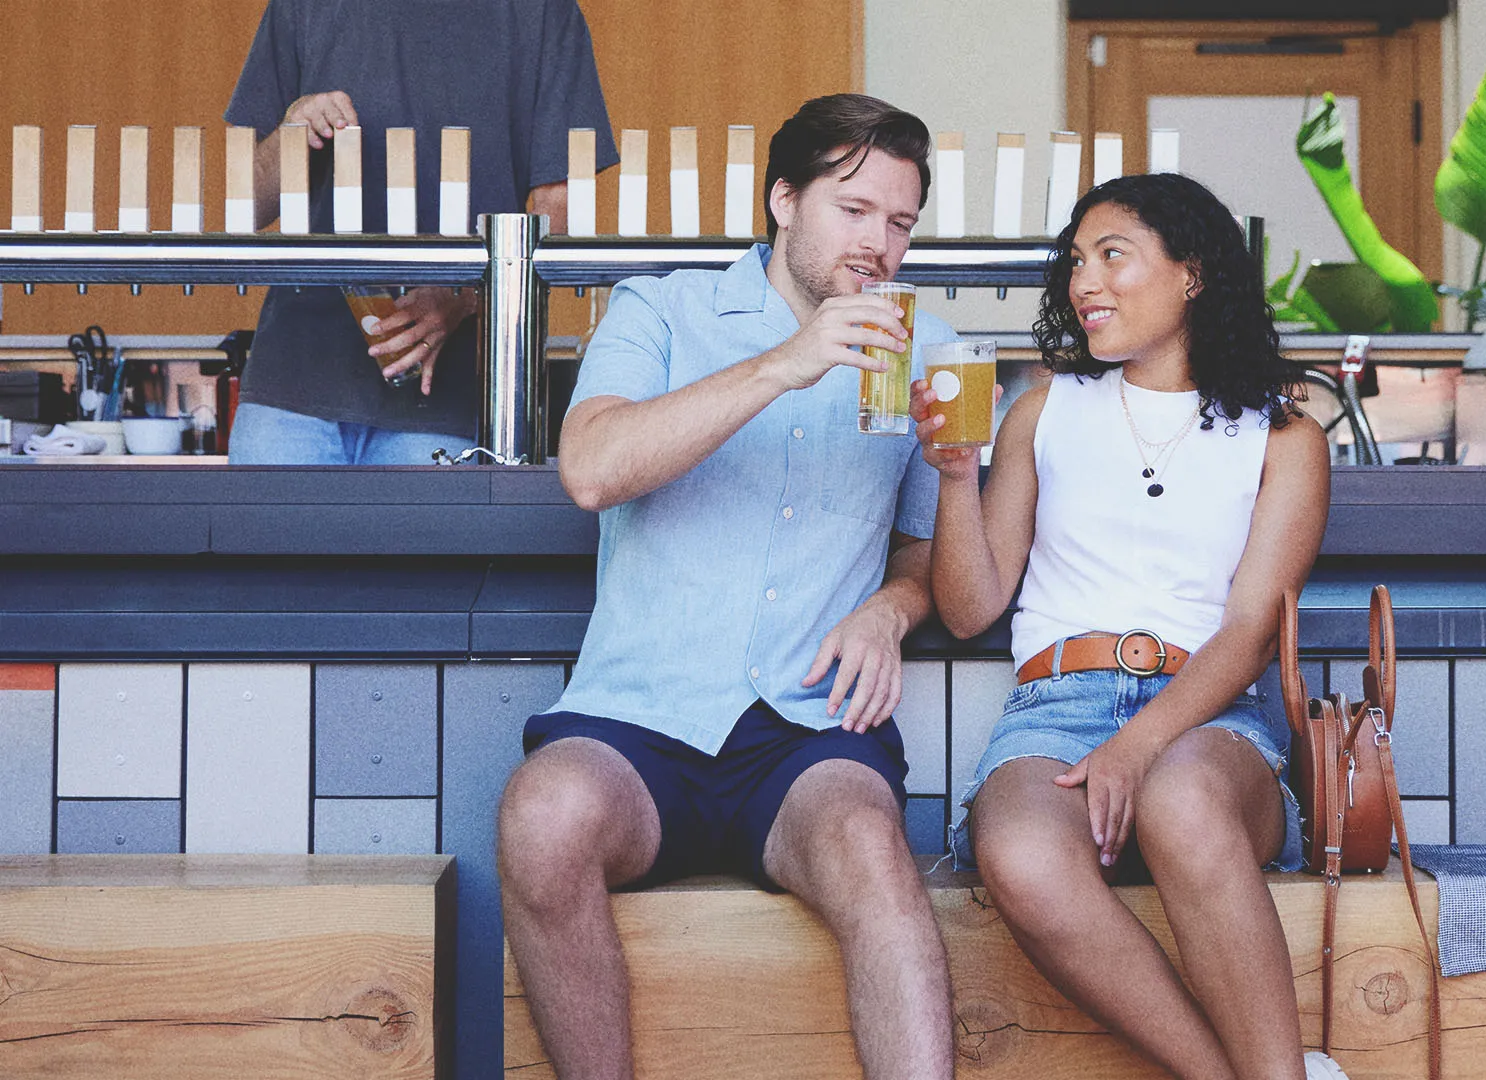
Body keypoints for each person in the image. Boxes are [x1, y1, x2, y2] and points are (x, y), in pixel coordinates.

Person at [497, 94, 958, 1080]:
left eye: (902, 222)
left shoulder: (926, 349)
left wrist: (889, 609)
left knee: (876, 857)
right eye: (854, 208)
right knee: (542, 817)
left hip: (806, 731)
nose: (880, 243)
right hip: (639, 717)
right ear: (784, 199)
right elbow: (590, 468)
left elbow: (924, 564)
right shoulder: (658, 307)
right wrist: (786, 363)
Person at [914, 173, 1342, 1080]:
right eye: (1075, 261)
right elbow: (969, 606)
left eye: (1113, 256)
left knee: (1180, 800)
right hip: (1053, 705)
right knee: (1018, 853)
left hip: (1207, 715)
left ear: (1191, 274)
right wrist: (956, 477)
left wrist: (1135, 747)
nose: (1084, 283)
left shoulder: (1283, 432)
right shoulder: (1042, 410)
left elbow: (1249, 629)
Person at [222, 0, 616, 465]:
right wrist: (291, 134)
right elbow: (242, 206)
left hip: (445, 409)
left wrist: (461, 294)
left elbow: (558, 217)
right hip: (292, 389)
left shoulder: (545, 13)